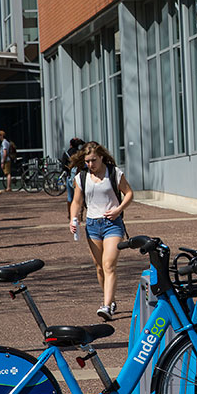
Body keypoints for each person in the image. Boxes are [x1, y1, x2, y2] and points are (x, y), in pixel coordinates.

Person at [68, 141, 134, 320]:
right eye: (87, 161)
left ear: (102, 157)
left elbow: (129, 193)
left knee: (109, 264)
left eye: (93, 160)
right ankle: (110, 299)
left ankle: (106, 306)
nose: (90, 165)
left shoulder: (114, 173)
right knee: (99, 268)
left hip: (112, 224)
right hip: (92, 225)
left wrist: (118, 210)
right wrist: (74, 219)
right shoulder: (81, 177)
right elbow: (76, 201)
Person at [60, 137, 85, 219]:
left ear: (70, 144)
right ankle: (80, 214)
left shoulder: (67, 153)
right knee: (80, 195)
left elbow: (63, 166)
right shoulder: (80, 153)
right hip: (79, 176)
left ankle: (70, 214)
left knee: (70, 197)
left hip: (70, 177)